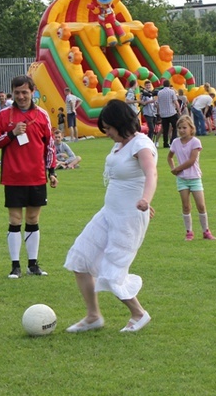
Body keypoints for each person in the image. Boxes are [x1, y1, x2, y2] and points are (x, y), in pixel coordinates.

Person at [64, 99, 157, 334]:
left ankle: (139, 313)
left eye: (109, 128)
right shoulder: (119, 145)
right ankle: (93, 316)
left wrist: (146, 199)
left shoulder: (141, 144)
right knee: (79, 258)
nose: (107, 133)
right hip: (108, 214)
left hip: (128, 219)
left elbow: (151, 174)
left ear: (120, 122)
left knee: (111, 270)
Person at [0, 75, 58, 279]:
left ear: (33, 91)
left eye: (25, 92)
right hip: (13, 176)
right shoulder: (4, 116)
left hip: (36, 176)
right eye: (17, 92)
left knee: (33, 218)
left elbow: (50, 145)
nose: (21, 96)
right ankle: (15, 265)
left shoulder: (42, 115)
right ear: (13, 92)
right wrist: (12, 133)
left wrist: (52, 171)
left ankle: (33, 264)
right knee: (15, 219)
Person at [167, 115, 216, 241]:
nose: (182, 130)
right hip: (182, 179)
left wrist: (177, 169)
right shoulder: (175, 142)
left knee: (201, 205)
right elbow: (169, 157)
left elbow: (191, 160)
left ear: (191, 128)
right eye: (179, 128)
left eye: (184, 127)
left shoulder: (195, 142)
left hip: (194, 178)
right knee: (186, 206)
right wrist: (173, 168)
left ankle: (206, 231)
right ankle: (189, 232)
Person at [156, 79, 179, 148]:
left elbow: (158, 103)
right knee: (175, 127)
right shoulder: (172, 92)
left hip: (163, 113)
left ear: (163, 85)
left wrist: (158, 112)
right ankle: (172, 141)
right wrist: (179, 110)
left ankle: (165, 143)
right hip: (172, 112)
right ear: (169, 85)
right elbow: (175, 102)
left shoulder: (159, 92)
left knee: (165, 129)